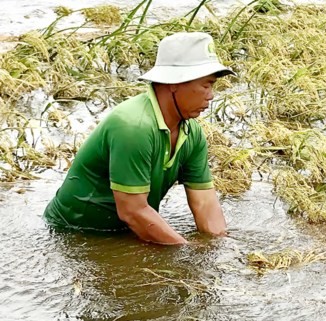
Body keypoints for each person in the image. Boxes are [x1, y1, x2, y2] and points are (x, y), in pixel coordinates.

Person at [43, 32, 235, 245]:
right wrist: (185, 250)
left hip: (128, 230)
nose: (211, 95)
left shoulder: (191, 133)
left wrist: (222, 247)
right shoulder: (133, 126)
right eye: (206, 85)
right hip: (74, 234)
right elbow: (133, 211)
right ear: (175, 82)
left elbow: (204, 203)